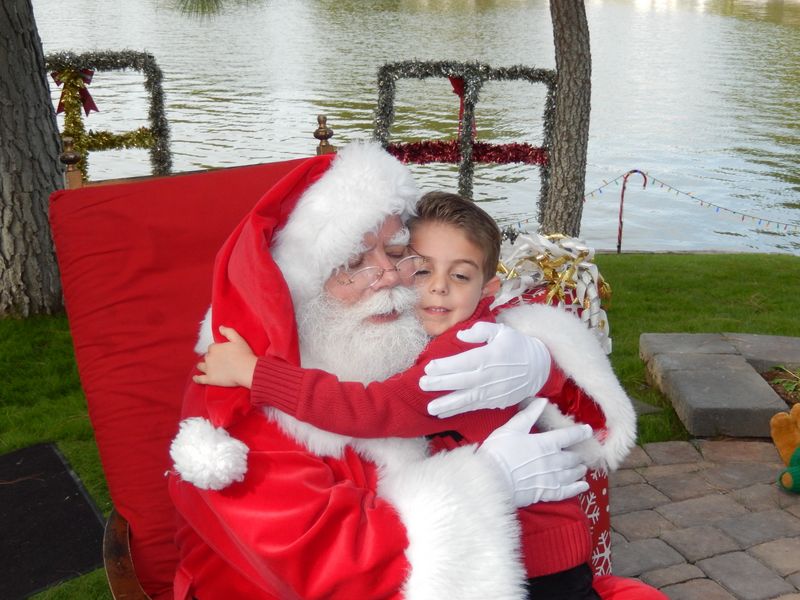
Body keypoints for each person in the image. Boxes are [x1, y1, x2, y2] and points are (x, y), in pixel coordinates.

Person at [168, 142, 662, 599]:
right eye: (351, 262)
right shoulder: (236, 416)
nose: (386, 275)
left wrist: (543, 370)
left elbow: (591, 437)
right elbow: (337, 567)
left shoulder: (415, 333)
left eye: (398, 252)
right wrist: (489, 482)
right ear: (297, 283)